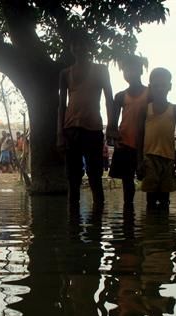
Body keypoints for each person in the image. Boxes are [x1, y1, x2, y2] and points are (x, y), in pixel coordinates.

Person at [58, 30, 114, 206]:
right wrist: (59, 134)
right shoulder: (65, 73)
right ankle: (73, 226)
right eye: (76, 44)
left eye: (84, 44)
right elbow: (61, 104)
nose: (80, 47)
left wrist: (112, 125)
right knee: (73, 179)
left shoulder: (101, 70)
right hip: (71, 129)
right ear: (72, 48)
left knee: (95, 176)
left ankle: (96, 225)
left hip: (93, 129)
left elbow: (109, 99)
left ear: (90, 47)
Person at [136, 67, 176, 209]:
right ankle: (152, 229)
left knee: (165, 198)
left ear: (169, 87)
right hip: (149, 158)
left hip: (168, 158)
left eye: (163, 85)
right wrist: (139, 161)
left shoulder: (175, 109)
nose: (159, 89)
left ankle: (162, 229)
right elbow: (139, 135)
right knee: (150, 199)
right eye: (156, 86)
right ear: (150, 87)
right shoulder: (145, 109)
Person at [108, 54, 149, 207]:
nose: (128, 74)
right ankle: (128, 215)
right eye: (125, 71)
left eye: (132, 69)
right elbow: (112, 125)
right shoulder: (120, 96)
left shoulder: (150, 93)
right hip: (125, 143)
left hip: (146, 145)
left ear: (140, 70)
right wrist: (115, 138)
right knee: (127, 184)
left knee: (149, 181)